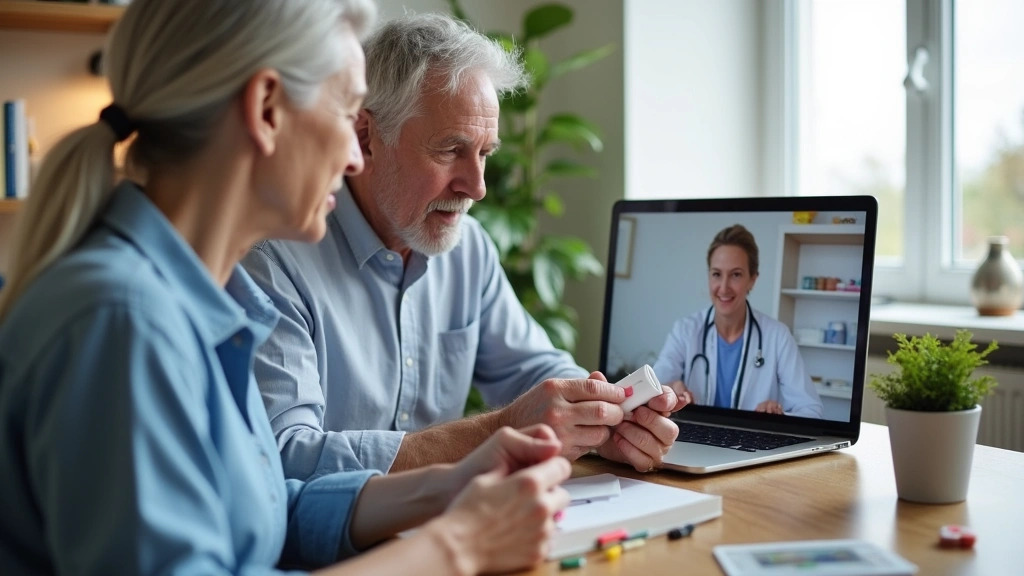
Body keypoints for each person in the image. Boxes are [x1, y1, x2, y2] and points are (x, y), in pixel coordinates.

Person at [0, 1, 574, 574]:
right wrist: (456, 548)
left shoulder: (206, 302)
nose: (354, 158)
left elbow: (260, 514)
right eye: (346, 113)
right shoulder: (122, 320)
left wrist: (446, 485)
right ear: (267, 109)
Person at [241, 13, 685, 478]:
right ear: (366, 138)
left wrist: (603, 418)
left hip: (457, 525)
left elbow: (536, 370)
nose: (477, 188)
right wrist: (500, 429)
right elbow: (286, 457)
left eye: (485, 153)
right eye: (450, 150)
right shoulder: (272, 260)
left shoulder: (467, 247)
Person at [652, 224, 823, 418]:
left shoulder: (778, 336)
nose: (724, 288)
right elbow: (652, 388)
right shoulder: (685, 330)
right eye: (717, 274)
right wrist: (669, 390)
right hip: (692, 438)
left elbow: (811, 410)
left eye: (736, 275)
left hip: (755, 441)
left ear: (752, 280)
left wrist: (779, 417)